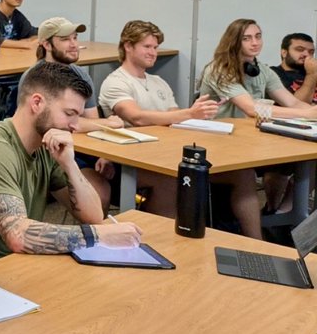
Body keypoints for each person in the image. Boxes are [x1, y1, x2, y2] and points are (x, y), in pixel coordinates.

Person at [0, 61, 142, 274]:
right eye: (69, 114)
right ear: (37, 103)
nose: (75, 125)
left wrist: (69, 164)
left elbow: (94, 217)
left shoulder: (47, 147)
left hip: (9, 263)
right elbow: (18, 236)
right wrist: (99, 236)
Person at [98, 20, 260, 236]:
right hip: (132, 161)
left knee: (243, 175)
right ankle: (158, 240)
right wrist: (189, 113)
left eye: (155, 48)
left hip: (166, 154)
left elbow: (175, 121)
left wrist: (197, 117)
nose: (153, 53)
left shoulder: (158, 82)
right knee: (174, 176)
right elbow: (136, 117)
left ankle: (257, 242)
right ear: (128, 46)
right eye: (147, 47)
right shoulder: (116, 82)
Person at [198, 19, 317, 214]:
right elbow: (251, 109)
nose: (255, 42)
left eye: (258, 36)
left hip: (251, 141)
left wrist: (312, 114)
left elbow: (292, 102)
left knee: (310, 159)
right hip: (219, 143)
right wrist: (307, 113)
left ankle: (283, 213)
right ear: (235, 42)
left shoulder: (262, 70)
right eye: (247, 38)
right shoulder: (219, 70)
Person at [20, 17, 123, 205]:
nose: (74, 44)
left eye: (75, 38)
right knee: (99, 192)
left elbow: (90, 120)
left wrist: (104, 155)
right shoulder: (36, 78)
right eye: (66, 39)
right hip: (49, 151)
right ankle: (95, 233)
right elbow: (57, 125)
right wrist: (107, 123)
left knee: (151, 179)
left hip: (79, 148)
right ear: (46, 44)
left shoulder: (80, 75)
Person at [273, 32, 317, 104]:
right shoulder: (272, 73)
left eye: (311, 52)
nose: (307, 54)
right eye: (300, 49)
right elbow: (296, 106)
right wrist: (311, 74)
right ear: (284, 53)